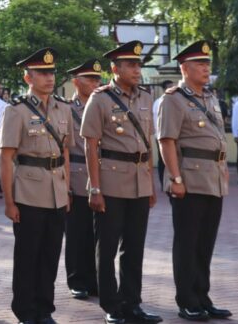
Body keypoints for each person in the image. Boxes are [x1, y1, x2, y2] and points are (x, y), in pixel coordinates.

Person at [80, 41, 161, 324]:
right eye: (131, 65)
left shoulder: (147, 98)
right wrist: (95, 187)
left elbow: (147, 143)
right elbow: (91, 145)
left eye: (139, 64)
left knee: (135, 247)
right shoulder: (100, 98)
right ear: (115, 69)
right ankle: (112, 306)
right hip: (111, 182)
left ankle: (132, 303)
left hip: (139, 181)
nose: (137, 69)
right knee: (108, 247)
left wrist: (150, 183)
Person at [157, 41, 232, 321]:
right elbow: (166, 141)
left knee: (205, 243)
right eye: (200, 64)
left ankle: (203, 296)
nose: (206, 68)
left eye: (207, 64)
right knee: (187, 243)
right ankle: (187, 300)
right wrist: (175, 178)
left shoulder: (209, 97)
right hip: (188, 179)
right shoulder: (173, 99)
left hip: (212, 178)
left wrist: (222, 166)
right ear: (184, 68)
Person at [0, 47, 71, 324]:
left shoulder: (63, 108)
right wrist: (8, 201)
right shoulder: (16, 111)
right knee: (28, 256)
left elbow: (65, 152)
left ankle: (45, 310)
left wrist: (68, 190)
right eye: (42, 73)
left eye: (52, 72)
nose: (49, 77)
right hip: (28, 192)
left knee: (51, 255)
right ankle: (26, 312)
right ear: (28, 77)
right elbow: (6, 158)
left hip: (57, 191)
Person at [65, 58, 103, 301]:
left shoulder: (105, 105)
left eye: (98, 79)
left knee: (99, 233)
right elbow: (63, 149)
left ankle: (95, 279)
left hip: (103, 175)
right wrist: (65, 184)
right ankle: (77, 279)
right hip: (78, 175)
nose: (95, 83)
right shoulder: (66, 109)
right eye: (90, 79)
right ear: (76, 82)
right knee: (77, 231)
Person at [153, 80, 174, 184]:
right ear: (164, 89)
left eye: (173, 86)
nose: (172, 88)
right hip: (161, 135)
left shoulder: (176, 101)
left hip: (175, 136)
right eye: (169, 87)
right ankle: (163, 182)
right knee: (163, 160)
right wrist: (158, 135)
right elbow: (155, 120)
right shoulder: (159, 102)